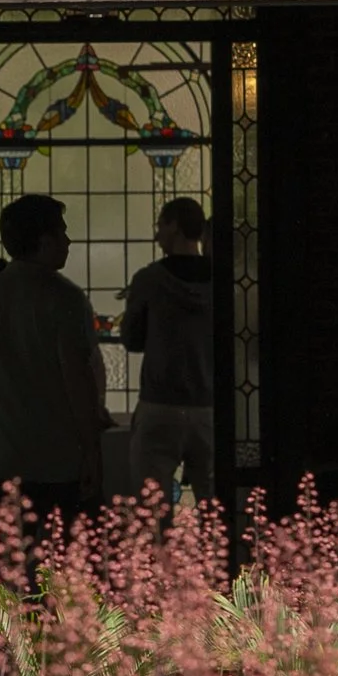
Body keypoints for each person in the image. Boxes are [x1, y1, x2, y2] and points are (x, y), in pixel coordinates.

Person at [0, 190, 106, 539]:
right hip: (57, 463)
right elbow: (78, 381)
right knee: (55, 570)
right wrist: (92, 451)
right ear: (44, 241)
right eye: (62, 232)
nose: (69, 241)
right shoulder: (64, 298)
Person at [121, 196, 218, 504]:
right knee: (214, 507)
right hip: (211, 406)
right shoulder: (225, 280)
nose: (156, 234)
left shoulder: (149, 280)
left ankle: (161, 555)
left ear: (175, 226)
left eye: (160, 225)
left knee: (153, 513)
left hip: (160, 405)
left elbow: (132, 341)